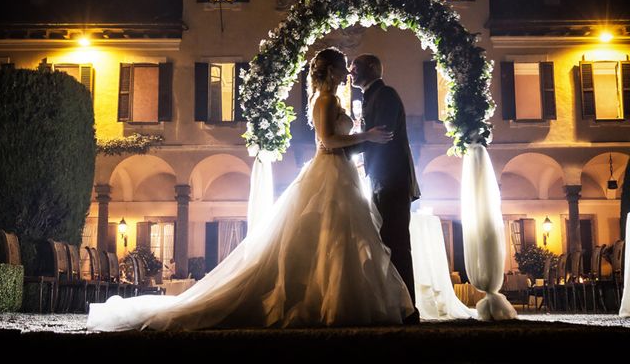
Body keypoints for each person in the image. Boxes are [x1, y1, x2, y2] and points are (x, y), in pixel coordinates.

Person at [87, 47, 415, 331]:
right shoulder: (326, 99)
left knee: (339, 239)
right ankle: (328, 302)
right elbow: (328, 141)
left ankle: (338, 298)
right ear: (331, 70)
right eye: (344, 67)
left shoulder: (336, 98)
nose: (348, 72)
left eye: (351, 68)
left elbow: (341, 141)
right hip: (330, 171)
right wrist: (366, 137)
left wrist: (361, 142)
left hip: (342, 172)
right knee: (331, 235)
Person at [349, 54, 421, 323]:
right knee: (388, 242)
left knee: (397, 243)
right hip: (382, 179)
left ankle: (409, 309)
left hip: (393, 179)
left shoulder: (386, 94)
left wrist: (341, 148)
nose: (350, 72)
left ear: (370, 68)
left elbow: (383, 135)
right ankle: (397, 305)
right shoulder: (371, 95)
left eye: (354, 67)